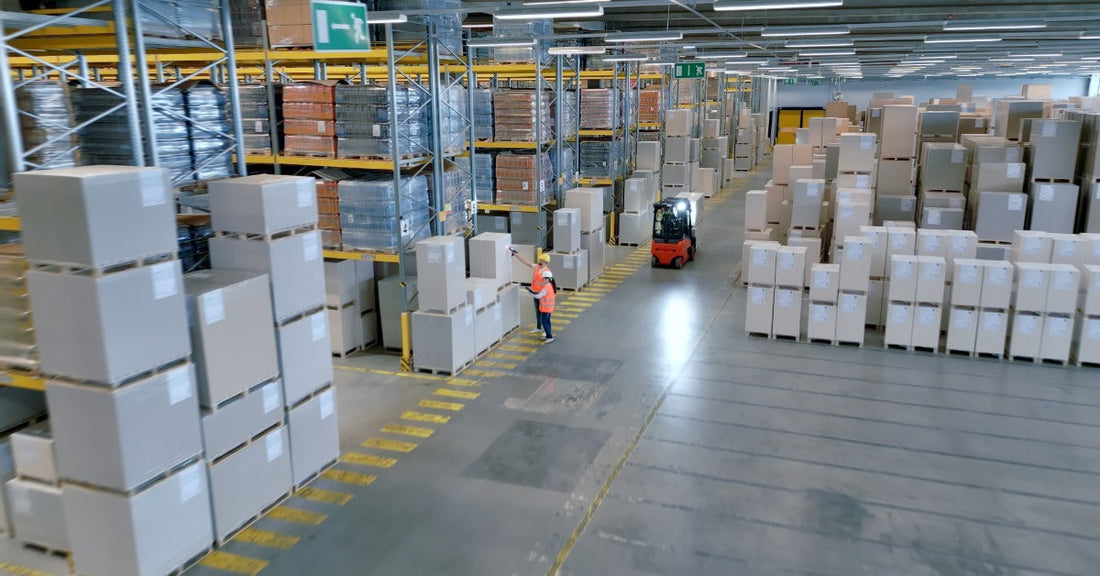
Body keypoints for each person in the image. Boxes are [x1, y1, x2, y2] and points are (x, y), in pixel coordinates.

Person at [510, 249, 552, 334]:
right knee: (538, 311)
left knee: (544, 313)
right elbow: (525, 262)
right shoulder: (536, 267)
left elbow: (549, 286)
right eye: (539, 260)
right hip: (535, 292)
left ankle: (546, 331)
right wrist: (515, 254)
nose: (539, 261)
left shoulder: (547, 272)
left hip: (543, 295)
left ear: (546, 262)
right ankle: (538, 327)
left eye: (541, 261)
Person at [528, 268, 557, 342]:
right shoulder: (551, 286)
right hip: (549, 308)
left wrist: (531, 293)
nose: (542, 280)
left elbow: (538, 296)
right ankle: (548, 335)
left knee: (544, 322)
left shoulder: (546, 289)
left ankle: (550, 337)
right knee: (547, 322)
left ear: (547, 279)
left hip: (545, 309)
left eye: (543, 279)